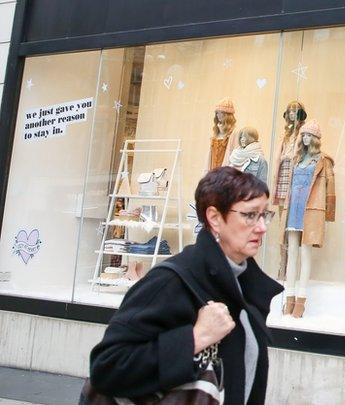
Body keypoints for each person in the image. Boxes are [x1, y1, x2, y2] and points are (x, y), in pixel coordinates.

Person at [89, 167, 284, 404]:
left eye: (265, 215)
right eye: (250, 215)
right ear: (214, 218)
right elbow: (107, 366)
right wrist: (195, 337)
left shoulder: (244, 284)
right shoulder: (173, 281)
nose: (262, 227)